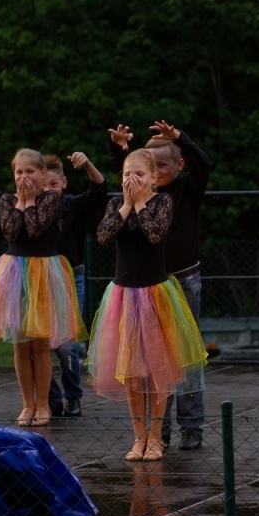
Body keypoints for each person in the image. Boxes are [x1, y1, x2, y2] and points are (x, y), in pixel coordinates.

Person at [86, 149, 207, 461]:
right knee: (133, 373)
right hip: (124, 295)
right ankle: (138, 436)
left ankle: (156, 437)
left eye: (138, 174)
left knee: (156, 370)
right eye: (127, 174)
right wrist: (126, 205)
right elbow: (102, 236)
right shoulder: (117, 204)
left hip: (155, 294)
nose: (131, 180)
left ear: (153, 178)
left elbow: (155, 235)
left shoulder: (162, 202)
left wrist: (139, 203)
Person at [0, 148, 88, 427]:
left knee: (40, 344)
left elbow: (36, 227)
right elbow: (13, 231)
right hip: (14, 271)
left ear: (42, 174)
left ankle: (43, 405)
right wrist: (18, 200)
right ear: (13, 174)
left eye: (30, 171)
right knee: (20, 344)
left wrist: (29, 201)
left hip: (44, 271)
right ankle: (27, 403)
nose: (24, 176)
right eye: (19, 171)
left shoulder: (51, 199)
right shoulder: (7, 200)